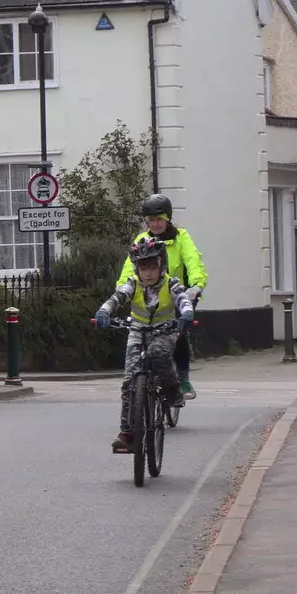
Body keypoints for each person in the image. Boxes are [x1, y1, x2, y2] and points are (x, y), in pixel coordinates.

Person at [95, 236, 196, 453]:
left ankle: (172, 389)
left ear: (161, 266)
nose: (148, 273)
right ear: (137, 269)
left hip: (165, 331)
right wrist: (104, 311)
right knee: (129, 381)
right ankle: (127, 432)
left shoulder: (171, 283)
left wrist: (187, 313)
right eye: (143, 268)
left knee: (159, 353)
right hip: (138, 331)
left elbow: (182, 299)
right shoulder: (133, 284)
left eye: (152, 267)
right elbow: (117, 297)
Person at [116, 194, 206, 397]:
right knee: (140, 331)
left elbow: (193, 261)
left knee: (179, 334)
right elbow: (130, 267)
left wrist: (195, 286)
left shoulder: (181, 237)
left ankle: (183, 379)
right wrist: (122, 289)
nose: (155, 224)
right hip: (148, 294)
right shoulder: (142, 240)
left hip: (178, 295)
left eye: (160, 219)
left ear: (168, 218)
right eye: (152, 220)